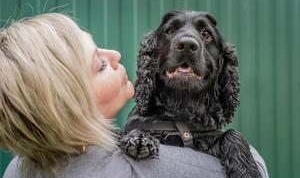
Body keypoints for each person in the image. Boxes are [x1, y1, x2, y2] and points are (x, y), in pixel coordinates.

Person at [0, 13, 268, 178]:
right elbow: (256, 167)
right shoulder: (141, 169)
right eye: (100, 65)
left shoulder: (17, 168)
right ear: (68, 101)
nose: (115, 54)